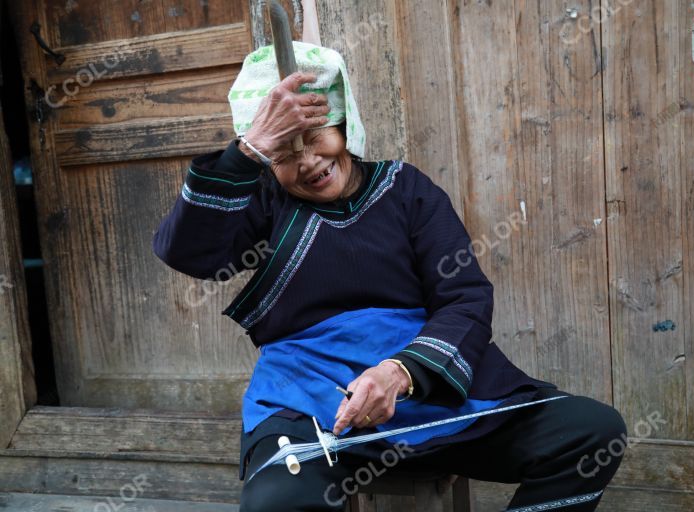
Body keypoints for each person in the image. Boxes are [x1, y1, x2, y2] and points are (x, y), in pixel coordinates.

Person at [152, 42, 627, 512]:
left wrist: (400, 371)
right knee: (277, 503)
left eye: (317, 135)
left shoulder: (406, 190)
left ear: (345, 124)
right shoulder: (265, 204)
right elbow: (188, 252)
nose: (310, 162)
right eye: (285, 153)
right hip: (309, 399)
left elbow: (464, 298)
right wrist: (249, 150)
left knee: (592, 432)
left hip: (426, 392)